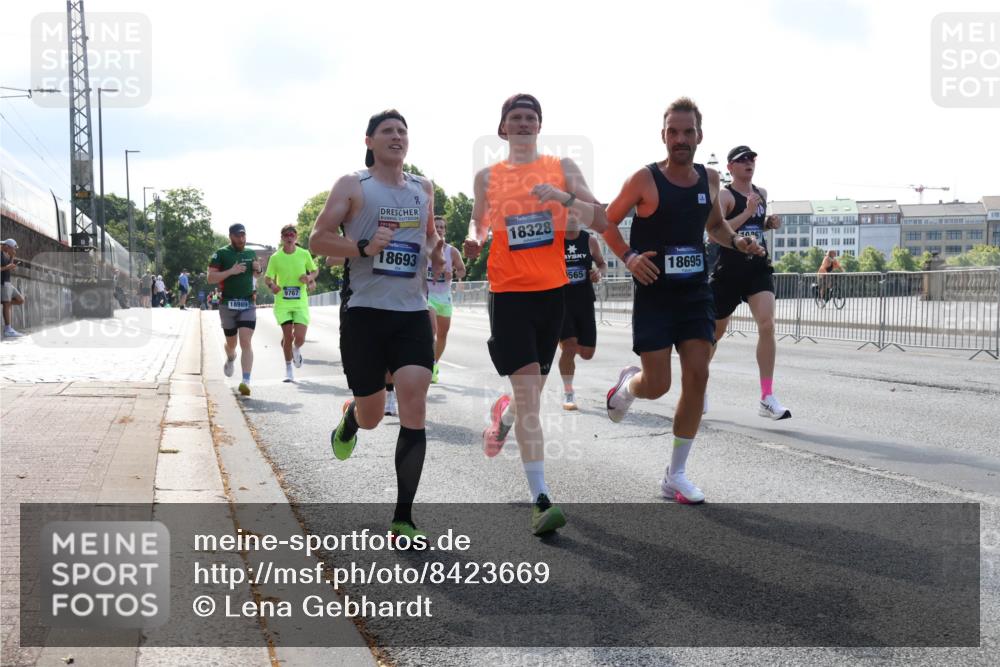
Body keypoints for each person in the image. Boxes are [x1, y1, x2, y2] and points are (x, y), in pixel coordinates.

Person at [602, 98, 764, 505]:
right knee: (657, 385)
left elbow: (715, 227)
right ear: (663, 136)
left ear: (699, 136)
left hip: (695, 293)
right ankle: (629, 383)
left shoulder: (709, 180)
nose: (680, 139)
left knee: (698, 374)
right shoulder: (644, 179)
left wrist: (738, 241)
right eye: (673, 132)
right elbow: (606, 222)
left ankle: (676, 474)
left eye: (687, 132)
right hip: (655, 292)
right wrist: (629, 257)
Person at [464, 93, 608, 535]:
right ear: (503, 128)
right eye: (515, 118)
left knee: (530, 397)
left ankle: (503, 419)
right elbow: (479, 222)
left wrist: (564, 196)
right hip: (508, 295)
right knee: (531, 399)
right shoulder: (488, 176)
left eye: (531, 118)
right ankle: (540, 498)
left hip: (552, 296)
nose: (523, 123)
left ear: (539, 126)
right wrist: (473, 238)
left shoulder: (562, 168)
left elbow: (600, 218)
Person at [309, 109, 444, 543]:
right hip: (364, 313)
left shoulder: (423, 188)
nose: (397, 136)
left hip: (410, 314)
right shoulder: (353, 185)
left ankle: (403, 517)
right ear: (369, 141)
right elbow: (318, 239)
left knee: (414, 404)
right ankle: (351, 418)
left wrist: (439, 252)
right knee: (370, 416)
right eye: (387, 131)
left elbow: (428, 237)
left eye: (403, 131)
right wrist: (362, 246)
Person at [706, 146, 791, 420]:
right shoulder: (726, 195)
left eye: (752, 159)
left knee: (767, 324)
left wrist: (768, 222)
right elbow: (719, 229)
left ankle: (767, 396)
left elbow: (756, 224)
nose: (749, 163)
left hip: (757, 267)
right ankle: (699, 386)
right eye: (742, 160)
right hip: (729, 270)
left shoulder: (761, 193)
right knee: (714, 335)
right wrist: (749, 211)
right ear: (730, 167)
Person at [558, 212, 607, 410]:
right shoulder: (554, 239)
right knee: (570, 346)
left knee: (587, 353)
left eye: (575, 213)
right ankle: (568, 392)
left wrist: (598, 273)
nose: (571, 217)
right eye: (567, 213)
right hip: (561, 302)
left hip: (585, 301)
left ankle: (566, 347)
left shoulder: (590, 241)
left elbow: (602, 264)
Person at [208, 223, 262, 396]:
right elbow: (210, 278)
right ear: (230, 236)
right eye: (238, 236)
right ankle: (231, 357)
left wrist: (258, 269)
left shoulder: (250, 253)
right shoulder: (221, 254)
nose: (241, 239)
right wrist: (231, 271)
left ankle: (246, 381)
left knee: (246, 341)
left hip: (247, 303)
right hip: (227, 304)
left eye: (243, 235)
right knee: (232, 344)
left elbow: (256, 275)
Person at [264, 224, 319, 383]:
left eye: (292, 235)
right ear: (282, 238)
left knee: (299, 338)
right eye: (286, 235)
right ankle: (288, 369)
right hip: (283, 303)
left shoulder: (304, 253)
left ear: (296, 237)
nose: (289, 237)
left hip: (300, 302)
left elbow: (314, 270)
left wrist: (309, 278)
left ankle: (296, 349)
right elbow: (268, 278)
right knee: (287, 336)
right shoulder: (275, 257)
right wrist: (272, 286)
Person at [426, 215, 466, 383]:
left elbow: (463, 270)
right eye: (437, 226)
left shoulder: (452, 251)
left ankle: (434, 364)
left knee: (443, 334)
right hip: (427, 295)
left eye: (442, 226)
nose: (440, 229)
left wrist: (455, 273)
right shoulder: (424, 248)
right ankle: (426, 365)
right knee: (432, 330)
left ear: (445, 230)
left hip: (445, 298)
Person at [1, 239, 25, 338]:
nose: (14, 251)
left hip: (8, 283)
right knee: (6, 304)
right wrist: (7, 267)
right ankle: (8, 329)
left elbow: (7, 266)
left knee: (21, 300)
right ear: (7, 246)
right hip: (2, 283)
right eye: (13, 249)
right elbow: (3, 268)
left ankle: (6, 303)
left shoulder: (4, 253)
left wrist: (12, 257)